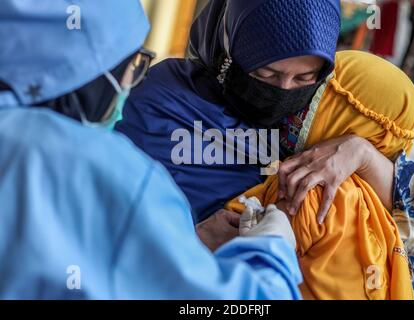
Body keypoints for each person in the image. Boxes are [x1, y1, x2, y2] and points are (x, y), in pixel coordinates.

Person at [116, 0, 414, 299]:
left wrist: (361, 154)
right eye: (265, 73)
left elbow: (412, 233)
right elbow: (93, 232)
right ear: (228, 49)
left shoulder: (320, 117)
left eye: (304, 78)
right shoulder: (161, 104)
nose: (283, 92)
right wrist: (188, 241)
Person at [0, 0, 302, 299]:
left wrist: (178, 241)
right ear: (96, 70)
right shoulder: (103, 171)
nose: (133, 81)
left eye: (304, 78)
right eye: (132, 65)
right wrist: (271, 251)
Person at [227, 50, 414, 300]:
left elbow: (244, 282)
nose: (291, 101)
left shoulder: (309, 190)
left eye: (314, 101)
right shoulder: (381, 205)